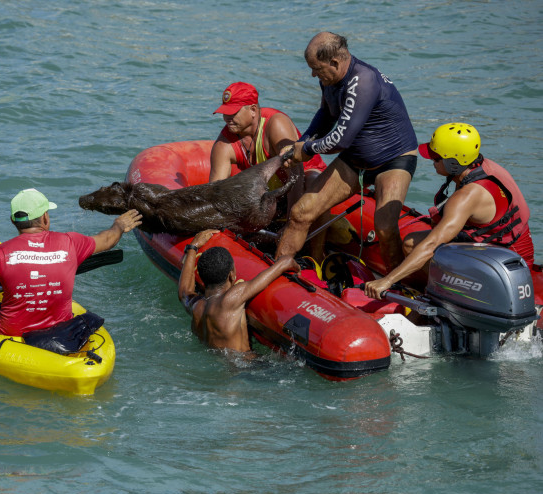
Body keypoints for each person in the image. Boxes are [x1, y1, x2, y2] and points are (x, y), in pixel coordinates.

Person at [276, 32, 418, 273]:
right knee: (300, 213)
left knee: (384, 227)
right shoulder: (328, 79)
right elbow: (325, 115)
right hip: (355, 159)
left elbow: (341, 139)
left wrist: (307, 149)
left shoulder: (363, 81)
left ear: (335, 62)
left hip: (393, 159)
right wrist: (301, 143)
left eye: (316, 68)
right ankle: (276, 274)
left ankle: (396, 286)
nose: (313, 74)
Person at [0, 188, 142, 337]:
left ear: (13, 221)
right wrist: (119, 225)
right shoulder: (71, 243)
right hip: (58, 327)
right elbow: (107, 240)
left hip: (10, 330)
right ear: (45, 218)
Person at [364, 123, 535, 299]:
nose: (431, 160)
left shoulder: (466, 197)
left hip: (503, 264)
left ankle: (438, 297)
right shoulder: (482, 167)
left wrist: (388, 280)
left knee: (417, 245)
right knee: (411, 242)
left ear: (453, 163)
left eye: (436, 157)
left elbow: (431, 246)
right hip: (509, 249)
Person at [210, 81, 328, 260]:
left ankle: (317, 257)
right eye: (225, 113)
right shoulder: (224, 144)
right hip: (274, 189)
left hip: (303, 180)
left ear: (253, 110)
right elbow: (215, 193)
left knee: (314, 183)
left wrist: (291, 226)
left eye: (233, 112)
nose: (227, 118)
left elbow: (296, 176)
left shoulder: (275, 125)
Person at [178, 229, 299, 353]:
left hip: (220, 362)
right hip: (245, 366)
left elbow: (184, 291)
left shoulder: (196, 306)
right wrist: (289, 264)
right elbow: (280, 267)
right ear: (232, 276)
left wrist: (193, 248)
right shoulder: (230, 299)